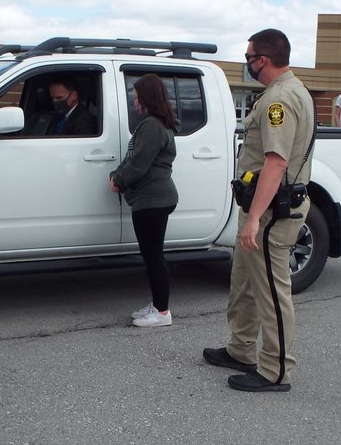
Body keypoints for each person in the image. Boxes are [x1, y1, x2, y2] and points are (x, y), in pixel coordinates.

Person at [203, 28, 314, 393]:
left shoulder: (281, 100)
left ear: (261, 60)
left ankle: (275, 370)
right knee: (245, 285)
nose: (247, 62)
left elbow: (276, 163)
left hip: (270, 212)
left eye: (249, 56)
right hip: (259, 207)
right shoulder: (278, 94)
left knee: (270, 292)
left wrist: (254, 219)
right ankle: (241, 349)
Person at [109, 73, 178, 328]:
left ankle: (162, 312)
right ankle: (158, 305)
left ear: (147, 98)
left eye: (137, 97)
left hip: (153, 200)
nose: (135, 102)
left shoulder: (152, 125)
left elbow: (138, 163)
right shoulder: (156, 123)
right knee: (152, 255)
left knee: (153, 256)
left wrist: (118, 180)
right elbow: (136, 158)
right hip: (154, 198)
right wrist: (117, 175)